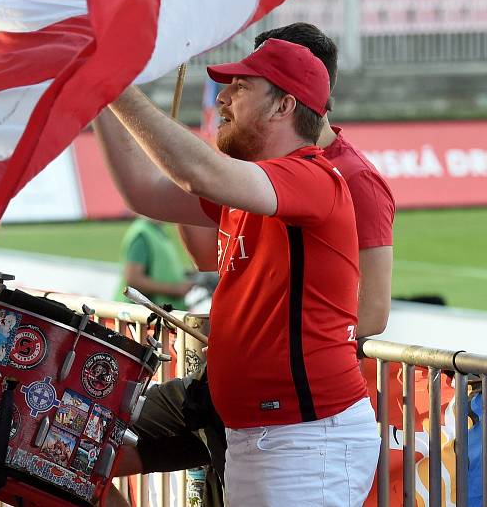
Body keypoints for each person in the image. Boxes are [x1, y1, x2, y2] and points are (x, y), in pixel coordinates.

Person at [95, 38, 380, 506]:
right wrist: (96, 96)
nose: (222, 99)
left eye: (240, 87)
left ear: (284, 105)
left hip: (305, 440)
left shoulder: (313, 176)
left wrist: (112, 83)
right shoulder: (253, 186)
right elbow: (143, 191)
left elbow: (197, 174)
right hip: (267, 434)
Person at [179, 22, 394, 340]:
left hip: (306, 383)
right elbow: (208, 257)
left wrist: (267, 342)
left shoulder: (356, 177)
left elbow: (372, 312)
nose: (229, 96)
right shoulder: (256, 162)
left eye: (248, 82)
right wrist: (187, 173)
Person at [115, 217, 192, 310]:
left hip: (156, 314)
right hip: (139, 317)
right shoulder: (142, 234)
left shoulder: (155, 231)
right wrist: (175, 289)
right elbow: (133, 279)